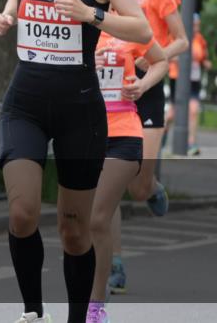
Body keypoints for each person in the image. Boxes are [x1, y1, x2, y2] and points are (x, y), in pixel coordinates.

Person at [0, 0, 151, 323]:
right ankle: (33, 311)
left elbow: (141, 27)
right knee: (22, 212)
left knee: (75, 231)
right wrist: (5, 17)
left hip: (80, 107)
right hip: (26, 103)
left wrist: (89, 13)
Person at [93, 0, 188, 296]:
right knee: (109, 184)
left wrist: (151, 67)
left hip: (146, 84)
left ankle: (151, 188)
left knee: (136, 183)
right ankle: (113, 262)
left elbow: (180, 39)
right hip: (105, 92)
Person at [88, 29, 168, 323]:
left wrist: (143, 84)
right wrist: (84, 63)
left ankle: (96, 306)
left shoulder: (129, 26)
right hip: (82, 132)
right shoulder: (77, 25)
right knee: (77, 223)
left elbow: (160, 61)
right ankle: (90, 287)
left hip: (123, 132)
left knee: (98, 218)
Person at [164, 13, 211, 155]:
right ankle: (161, 140)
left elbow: (204, 57)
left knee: (193, 110)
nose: (197, 27)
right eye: (195, 25)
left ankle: (191, 144)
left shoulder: (200, 40)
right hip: (177, 78)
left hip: (193, 79)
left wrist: (205, 63)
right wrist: (183, 59)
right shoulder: (175, 37)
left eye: (198, 25)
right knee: (172, 114)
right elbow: (166, 54)